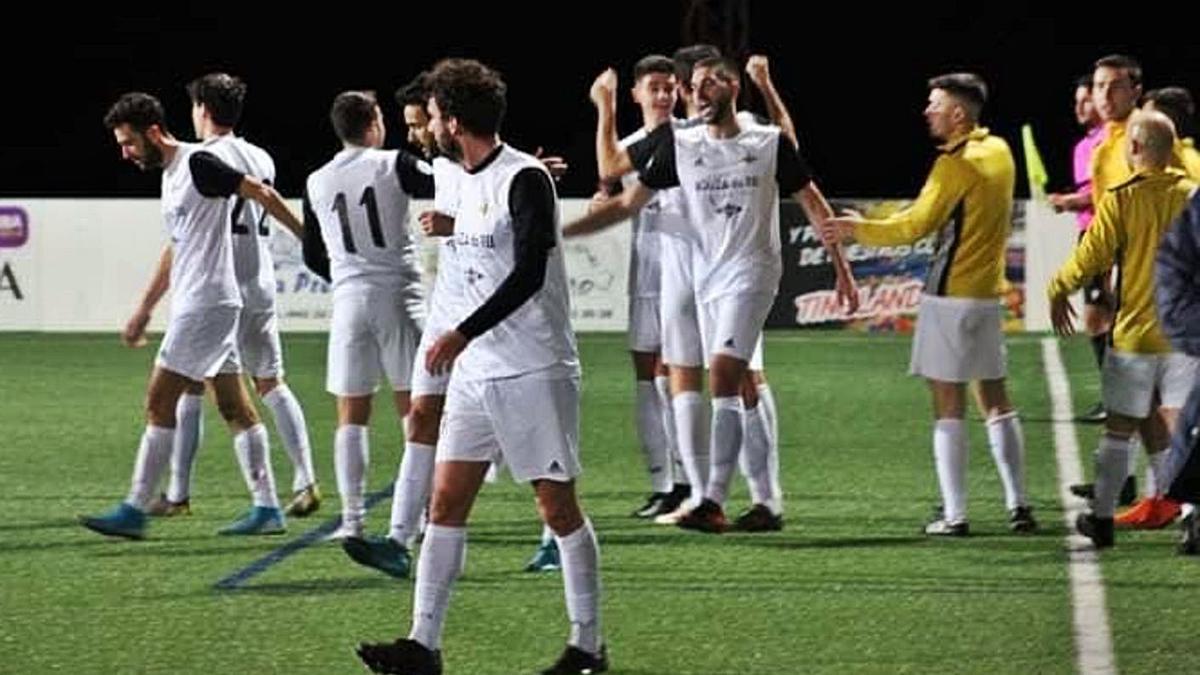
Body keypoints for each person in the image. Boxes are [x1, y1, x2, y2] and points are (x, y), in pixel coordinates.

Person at [355, 58, 606, 675]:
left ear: (456, 119)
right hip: (474, 372)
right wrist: (454, 225)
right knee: (445, 505)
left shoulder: (525, 179)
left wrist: (459, 334)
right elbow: (481, 229)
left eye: (435, 114)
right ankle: (422, 645)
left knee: (557, 509)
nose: (429, 123)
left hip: (531, 367)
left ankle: (588, 644)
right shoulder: (457, 177)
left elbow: (527, 272)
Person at [81, 91, 303, 539]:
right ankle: (267, 507)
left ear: (153, 132)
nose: (124, 152)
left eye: (128, 142)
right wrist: (145, 308)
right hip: (206, 302)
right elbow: (179, 247)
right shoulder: (173, 173)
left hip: (206, 304)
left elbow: (259, 191)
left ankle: (135, 507)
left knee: (159, 400)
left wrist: (308, 239)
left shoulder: (198, 163)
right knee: (233, 404)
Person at [826, 73, 1036, 536]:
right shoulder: (1000, 151)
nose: (927, 111)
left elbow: (915, 226)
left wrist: (856, 228)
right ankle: (1020, 505)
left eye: (935, 104)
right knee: (996, 400)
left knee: (947, 404)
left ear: (958, 115)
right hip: (986, 297)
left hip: (949, 297)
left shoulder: (954, 164)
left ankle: (956, 515)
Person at [1047, 110, 1198, 548]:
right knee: (1184, 430)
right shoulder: (1193, 195)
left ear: (1134, 148)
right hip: (1185, 339)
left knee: (1117, 431)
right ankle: (1191, 518)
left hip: (1134, 336)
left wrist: (1058, 288)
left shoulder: (1121, 196)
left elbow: (1091, 256)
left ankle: (1101, 519)